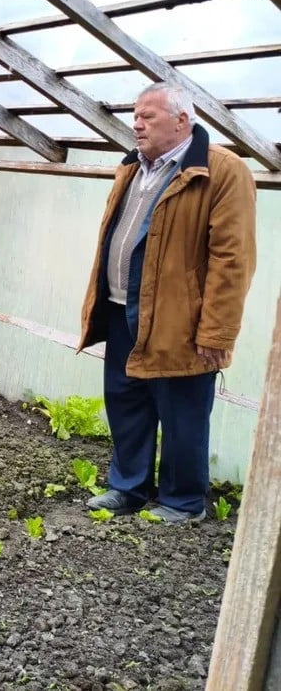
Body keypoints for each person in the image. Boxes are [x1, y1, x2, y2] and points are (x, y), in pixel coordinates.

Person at [79, 82, 256, 524]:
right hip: (123, 311)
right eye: (135, 115)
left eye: (148, 115)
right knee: (127, 403)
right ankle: (128, 488)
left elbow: (233, 258)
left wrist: (216, 331)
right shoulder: (133, 168)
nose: (136, 123)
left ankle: (182, 500)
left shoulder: (222, 170)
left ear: (182, 120)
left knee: (182, 412)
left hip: (181, 321)